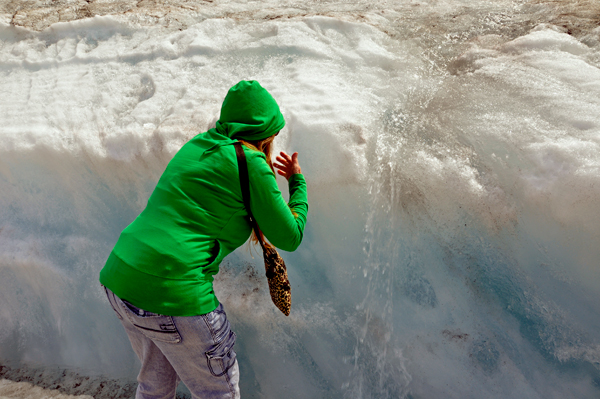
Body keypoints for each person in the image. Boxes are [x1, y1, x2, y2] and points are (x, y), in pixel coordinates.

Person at [99, 80, 308, 399]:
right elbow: (290, 236)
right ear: (266, 133)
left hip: (121, 278)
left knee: (154, 387)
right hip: (174, 291)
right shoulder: (251, 163)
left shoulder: (199, 144)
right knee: (219, 392)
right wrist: (297, 183)